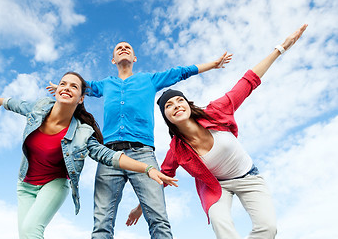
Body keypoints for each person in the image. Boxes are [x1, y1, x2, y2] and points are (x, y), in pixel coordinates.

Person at [126, 24, 308, 238]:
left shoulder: (216, 111)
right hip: (215, 187)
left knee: (268, 228)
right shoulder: (177, 150)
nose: (176, 105)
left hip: (249, 177)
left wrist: (281, 48)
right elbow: (162, 177)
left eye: (179, 100)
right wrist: (139, 208)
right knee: (222, 226)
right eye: (169, 106)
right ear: (167, 117)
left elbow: (248, 81)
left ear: (188, 104)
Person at [48, 44, 232, 238]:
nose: (123, 48)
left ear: (135, 58)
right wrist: (63, 88)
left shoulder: (149, 80)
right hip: (110, 157)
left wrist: (213, 64)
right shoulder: (106, 84)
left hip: (143, 154)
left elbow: (181, 72)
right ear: (113, 60)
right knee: (102, 223)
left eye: (128, 47)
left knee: (158, 219)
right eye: (118, 48)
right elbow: (79, 86)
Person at [0, 71, 178, 239]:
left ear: (81, 97)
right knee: (26, 234)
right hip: (25, 185)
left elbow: (108, 156)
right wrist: (1, 101)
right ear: (57, 89)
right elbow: (19, 105)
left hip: (54, 183)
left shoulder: (83, 132)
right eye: (63, 84)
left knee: (31, 229)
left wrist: (147, 168)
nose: (67, 88)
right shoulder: (40, 107)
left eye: (74, 86)